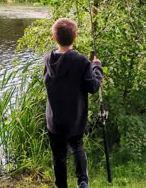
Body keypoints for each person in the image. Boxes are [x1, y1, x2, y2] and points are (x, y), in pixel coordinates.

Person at [43, 18, 103, 188]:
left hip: (54, 120)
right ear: (75, 36)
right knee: (77, 147)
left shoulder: (48, 60)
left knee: (58, 156)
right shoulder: (81, 61)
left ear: (54, 38)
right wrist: (97, 67)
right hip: (75, 120)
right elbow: (93, 86)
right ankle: (83, 183)